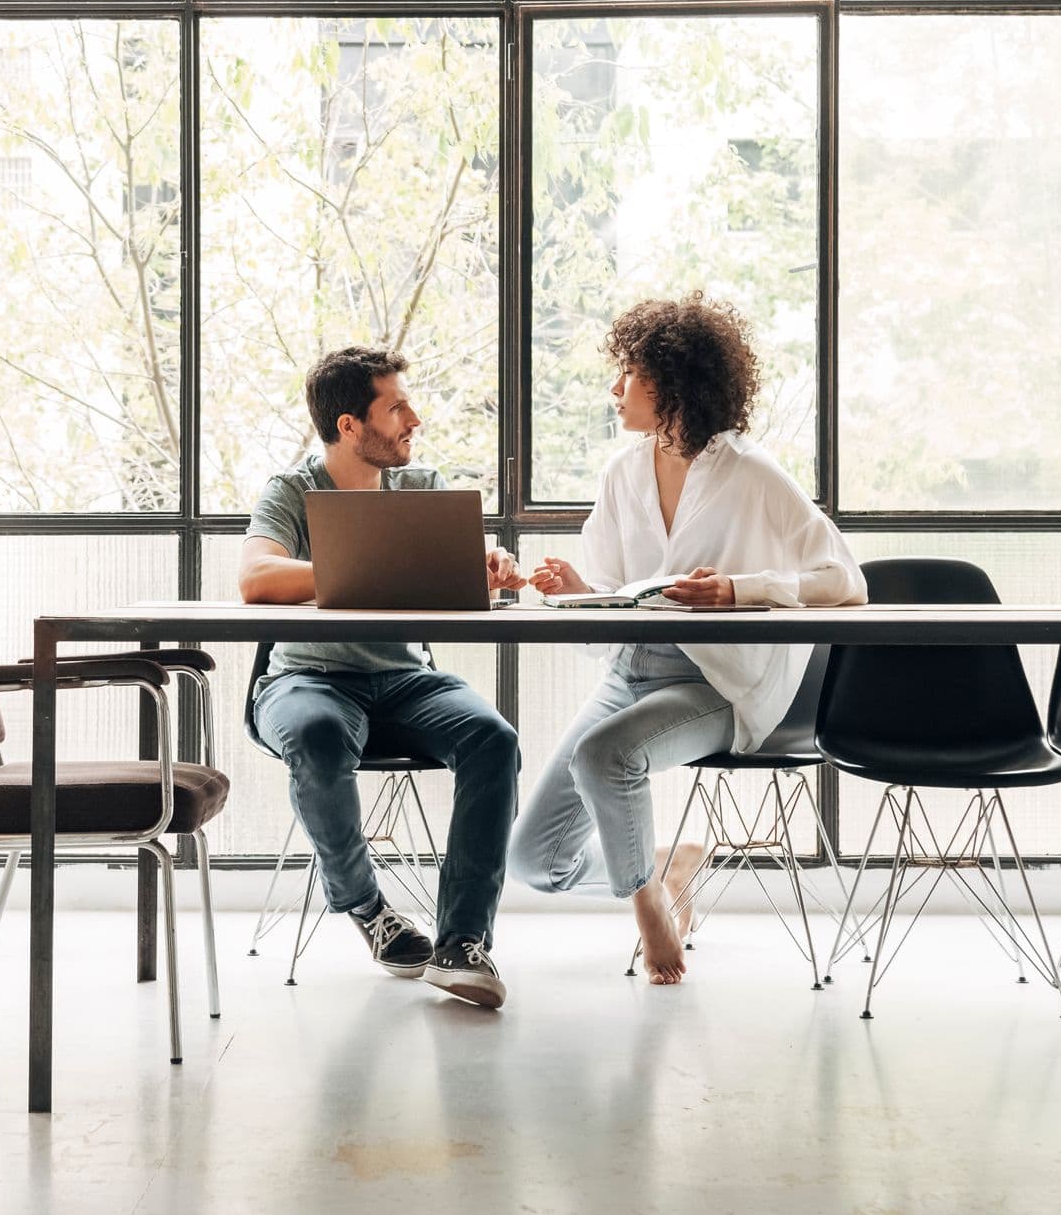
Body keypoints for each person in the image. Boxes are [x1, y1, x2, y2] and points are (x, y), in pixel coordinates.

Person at [511, 294, 865, 985]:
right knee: (534, 860)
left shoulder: (751, 473)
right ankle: (665, 866)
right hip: (632, 668)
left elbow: (843, 578)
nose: (616, 389)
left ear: (672, 384)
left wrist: (739, 588)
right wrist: (577, 588)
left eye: (630, 374)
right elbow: (613, 594)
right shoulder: (622, 473)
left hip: (714, 678)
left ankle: (651, 914)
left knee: (604, 754)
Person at [242, 346, 526, 1008]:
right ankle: (369, 908)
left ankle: (461, 943)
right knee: (315, 735)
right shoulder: (291, 490)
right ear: (348, 425)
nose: (413, 418)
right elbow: (257, 578)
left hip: (405, 679)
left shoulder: (420, 488)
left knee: (494, 739)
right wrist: (359, 564)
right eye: (395, 406)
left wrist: (486, 563)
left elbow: (458, 568)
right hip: (306, 680)